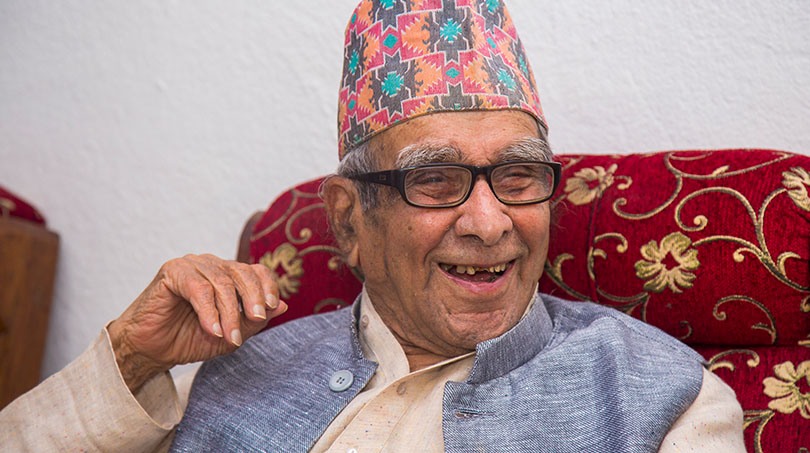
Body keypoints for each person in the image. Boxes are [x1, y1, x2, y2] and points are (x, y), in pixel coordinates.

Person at [0, 1, 744, 451]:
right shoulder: (233, 371)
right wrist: (132, 358)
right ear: (349, 221)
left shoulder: (665, 398)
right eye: (435, 180)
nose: (490, 223)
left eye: (518, 176)